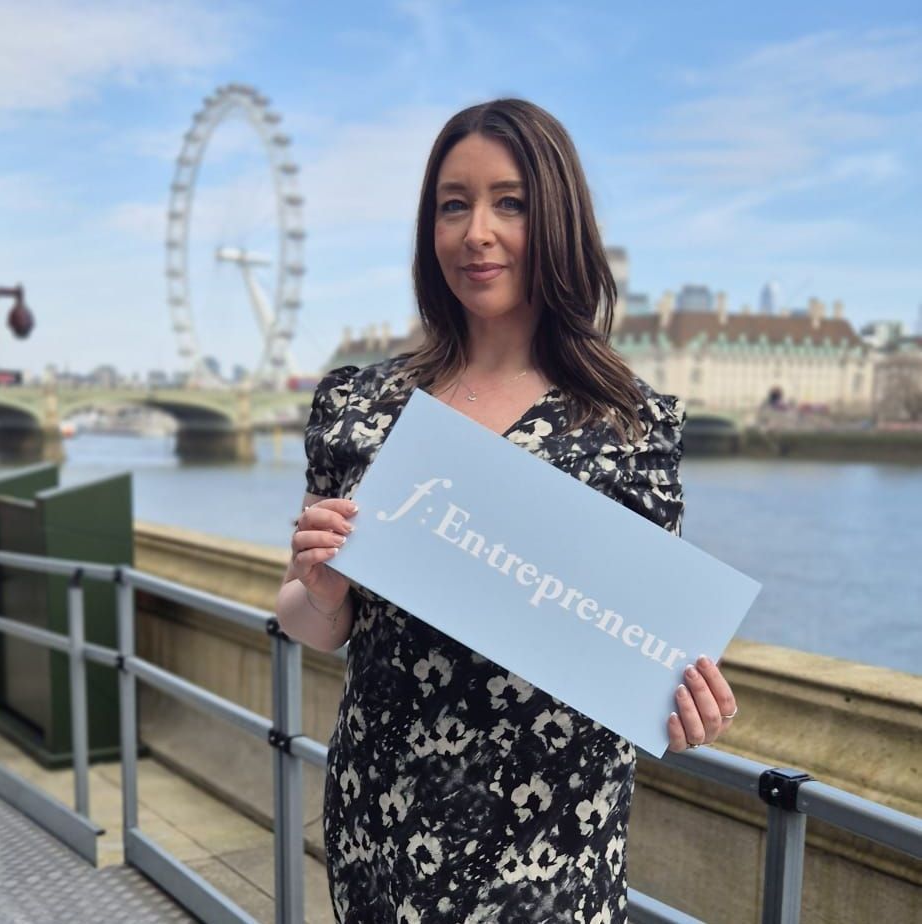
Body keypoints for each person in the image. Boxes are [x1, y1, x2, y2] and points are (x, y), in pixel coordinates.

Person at [276, 98, 738, 924]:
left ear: (557, 220)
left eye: (509, 203)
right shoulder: (361, 405)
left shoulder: (630, 426)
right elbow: (315, 622)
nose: (476, 232)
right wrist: (319, 589)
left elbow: (641, 644)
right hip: (383, 816)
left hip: (554, 840)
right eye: (453, 204)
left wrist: (687, 701)